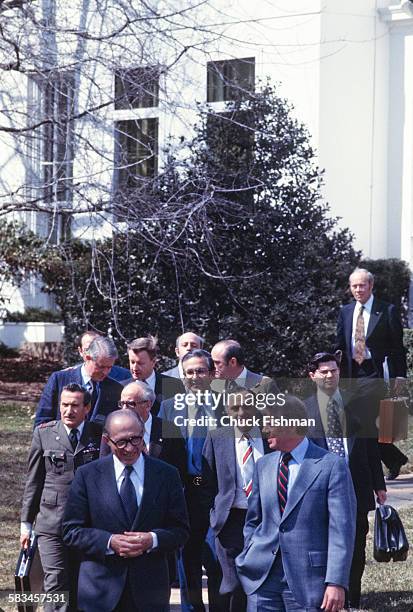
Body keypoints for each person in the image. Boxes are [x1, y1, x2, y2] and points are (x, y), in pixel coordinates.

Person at [236, 395, 356, 612]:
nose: (264, 429)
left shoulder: (331, 466)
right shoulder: (263, 465)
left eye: (269, 423)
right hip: (262, 580)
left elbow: (342, 530)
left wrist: (336, 582)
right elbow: (253, 520)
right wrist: (250, 550)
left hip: (309, 582)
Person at [62, 409, 189, 612]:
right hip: (100, 591)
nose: (129, 448)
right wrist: (109, 542)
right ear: (107, 440)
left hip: (150, 591)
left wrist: (152, 539)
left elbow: (181, 530)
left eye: (136, 440)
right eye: (121, 442)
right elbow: (71, 531)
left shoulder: (167, 474)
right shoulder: (87, 475)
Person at [305, 351, 386, 609]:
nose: (330, 375)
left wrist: (379, 483)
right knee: (324, 545)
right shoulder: (303, 409)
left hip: (356, 486)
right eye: (324, 371)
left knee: (356, 545)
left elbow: (370, 447)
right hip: (319, 490)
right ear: (312, 376)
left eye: (334, 370)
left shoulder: (357, 404)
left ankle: (351, 600)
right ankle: (325, 598)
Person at [20, 383, 102, 611]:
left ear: (87, 407)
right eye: (64, 405)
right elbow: (33, 481)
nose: (69, 411)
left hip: (87, 524)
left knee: (80, 585)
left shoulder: (99, 434)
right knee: (56, 582)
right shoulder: (44, 434)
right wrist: (26, 524)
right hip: (51, 524)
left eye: (75, 405)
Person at [159, 349, 223, 612]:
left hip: (218, 493)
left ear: (211, 373)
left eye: (200, 371)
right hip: (185, 494)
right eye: (189, 372)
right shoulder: (168, 407)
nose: (195, 377)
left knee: (218, 560)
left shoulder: (227, 405)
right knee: (188, 562)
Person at [202, 386, 272, 612]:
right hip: (230, 519)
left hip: (266, 519)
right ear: (227, 411)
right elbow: (203, 480)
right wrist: (214, 512)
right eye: (235, 408)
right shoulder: (217, 437)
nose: (242, 413)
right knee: (232, 583)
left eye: (248, 406)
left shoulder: (269, 435)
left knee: (262, 578)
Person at [335, 267, 408, 479]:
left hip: (374, 372)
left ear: (371, 286)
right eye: (354, 286)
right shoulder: (346, 311)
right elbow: (339, 344)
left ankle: (371, 471)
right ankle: (393, 458)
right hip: (351, 372)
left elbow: (397, 347)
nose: (358, 289)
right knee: (360, 423)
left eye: (362, 285)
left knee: (362, 418)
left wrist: (400, 376)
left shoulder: (387, 310)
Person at [100, 381, 186, 481]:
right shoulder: (111, 427)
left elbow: (179, 468)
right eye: (122, 403)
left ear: (148, 405)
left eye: (130, 404)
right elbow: (104, 465)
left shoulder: (169, 429)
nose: (124, 409)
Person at [35, 337, 123, 427]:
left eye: (109, 367)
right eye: (101, 367)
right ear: (88, 358)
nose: (106, 372)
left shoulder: (115, 389)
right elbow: (42, 423)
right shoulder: (59, 380)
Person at [121, 336, 184, 416]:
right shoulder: (121, 387)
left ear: (153, 362)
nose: (135, 368)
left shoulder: (174, 386)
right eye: (132, 362)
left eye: (140, 363)